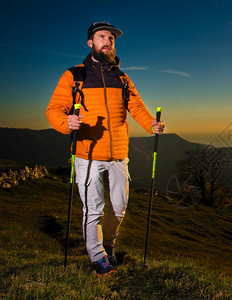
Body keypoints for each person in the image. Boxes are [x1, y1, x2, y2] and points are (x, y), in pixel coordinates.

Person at [47, 21, 164, 276]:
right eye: (102, 37)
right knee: (94, 209)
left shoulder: (121, 77)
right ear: (90, 42)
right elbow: (54, 110)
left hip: (119, 154)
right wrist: (66, 123)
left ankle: (109, 243)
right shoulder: (75, 75)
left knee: (120, 207)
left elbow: (136, 107)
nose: (108, 41)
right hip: (87, 154)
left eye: (111, 38)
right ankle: (98, 257)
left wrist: (150, 124)